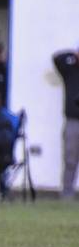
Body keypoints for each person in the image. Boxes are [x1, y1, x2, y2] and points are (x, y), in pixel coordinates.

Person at [53, 44, 79, 200]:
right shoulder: (70, 71)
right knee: (70, 159)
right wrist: (73, 53)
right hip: (73, 121)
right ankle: (67, 193)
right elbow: (56, 58)